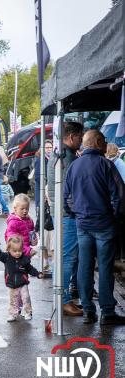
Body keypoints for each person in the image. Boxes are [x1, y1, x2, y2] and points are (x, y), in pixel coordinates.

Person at [64, 129, 125, 325]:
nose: (107, 144)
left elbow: (67, 198)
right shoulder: (106, 165)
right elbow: (120, 196)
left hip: (83, 225)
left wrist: (77, 214)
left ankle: (88, 310)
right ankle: (107, 312)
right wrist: (114, 216)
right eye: (105, 141)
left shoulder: (74, 166)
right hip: (104, 224)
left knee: (85, 266)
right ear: (98, 142)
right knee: (105, 268)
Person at [47, 121, 84, 317]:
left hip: (60, 212)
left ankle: (64, 297)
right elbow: (71, 191)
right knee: (67, 257)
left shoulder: (57, 154)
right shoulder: (66, 158)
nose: (81, 140)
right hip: (66, 214)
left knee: (64, 255)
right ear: (71, 137)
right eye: (79, 137)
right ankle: (63, 300)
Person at [0, 236, 43, 322]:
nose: (17, 253)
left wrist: (37, 274)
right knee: (13, 300)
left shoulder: (24, 259)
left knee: (26, 298)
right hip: (12, 283)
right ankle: (13, 314)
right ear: (9, 249)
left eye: (19, 250)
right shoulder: (7, 257)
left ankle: (28, 312)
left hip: (23, 283)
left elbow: (30, 268)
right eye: (14, 251)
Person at [34, 140, 53, 208]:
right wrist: (46, 185)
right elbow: (38, 177)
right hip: (42, 189)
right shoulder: (40, 160)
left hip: (48, 189)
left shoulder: (52, 159)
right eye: (47, 147)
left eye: (50, 147)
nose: (49, 149)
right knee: (42, 210)